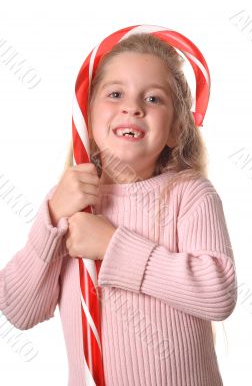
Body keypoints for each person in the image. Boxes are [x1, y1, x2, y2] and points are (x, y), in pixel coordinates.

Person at [0, 32, 238, 386]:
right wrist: (50, 217)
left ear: (175, 129)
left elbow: (218, 293)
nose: (133, 107)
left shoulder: (189, 194)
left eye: (153, 98)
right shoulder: (69, 204)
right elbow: (20, 311)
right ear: (88, 118)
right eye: (115, 94)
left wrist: (112, 245)